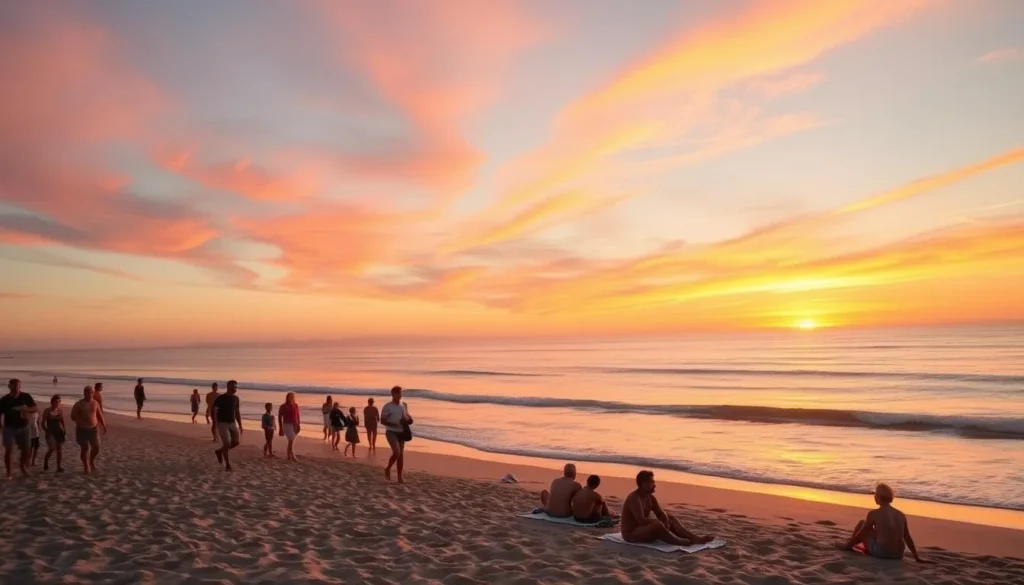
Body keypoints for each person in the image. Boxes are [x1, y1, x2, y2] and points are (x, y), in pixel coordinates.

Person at [621, 470, 713, 546]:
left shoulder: (650, 497)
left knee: (670, 518)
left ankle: (694, 538)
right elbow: (641, 520)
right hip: (631, 533)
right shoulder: (634, 498)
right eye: (652, 482)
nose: (655, 485)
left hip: (642, 529)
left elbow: (660, 513)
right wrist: (658, 522)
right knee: (657, 525)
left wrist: (665, 520)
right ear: (643, 484)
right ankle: (679, 541)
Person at [836, 483, 923, 562]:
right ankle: (850, 544)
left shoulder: (874, 513)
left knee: (862, 524)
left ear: (878, 497)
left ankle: (848, 546)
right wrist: (916, 557)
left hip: (882, 553)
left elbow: (862, 533)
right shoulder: (900, 514)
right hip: (898, 555)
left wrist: (848, 545)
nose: (874, 497)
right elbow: (907, 537)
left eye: (875, 494)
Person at [1, 379, 38, 479]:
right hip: (9, 428)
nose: (16, 388)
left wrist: (26, 409)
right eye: (14, 386)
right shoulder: (4, 400)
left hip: (24, 427)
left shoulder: (26, 396)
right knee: (9, 450)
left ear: (20, 386)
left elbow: (35, 408)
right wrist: (1, 428)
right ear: (9, 386)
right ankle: (9, 474)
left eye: (18, 386)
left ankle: (22, 467)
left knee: (26, 449)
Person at [70, 385, 107, 475]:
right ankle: (86, 466)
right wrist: (79, 421)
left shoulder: (95, 403)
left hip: (93, 428)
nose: (90, 394)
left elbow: (99, 415)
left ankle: (91, 461)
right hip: (82, 429)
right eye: (88, 392)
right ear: (84, 393)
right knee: (85, 448)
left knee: (96, 447)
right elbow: (72, 416)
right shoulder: (78, 404)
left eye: (91, 392)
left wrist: (104, 425)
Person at [381, 385, 412, 483]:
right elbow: (382, 421)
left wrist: (409, 419)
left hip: (401, 432)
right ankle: (388, 468)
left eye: (400, 393)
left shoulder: (403, 405)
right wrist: (393, 424)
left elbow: (408, 417)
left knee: (401, 455)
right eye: (397, 393)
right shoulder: (388, 406)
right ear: (392, 394)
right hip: (391, 431)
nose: (399, 395)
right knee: (397, 452)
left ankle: (399, 477)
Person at [213, 380, 243, 471]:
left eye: (236, 387)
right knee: (227, 443)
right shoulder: (221, 398)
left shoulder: (236, 398)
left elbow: (237, 412)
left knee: (236, 442)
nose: (236, 388)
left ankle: (220, 451)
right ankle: (227, 464)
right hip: (222, 423)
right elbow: (215, 410)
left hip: (232, 423)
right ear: (229, 387)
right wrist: (215, 422)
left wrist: (240, 425)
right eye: (235, 387)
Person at [41, 395, 66, 473]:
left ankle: (59, 467)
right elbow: (42, 423)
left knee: (59, 450)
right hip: (50, 432)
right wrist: (45, 430)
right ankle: (46, 461)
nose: (57, 403)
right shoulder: (47, 411)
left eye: (59, 402)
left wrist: (64, 429)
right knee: (52, 448)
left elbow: (62, 421)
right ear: (52, 402)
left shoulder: (60, 411)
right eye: (56, 402)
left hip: (59, 431)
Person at [278, 392, 301, 462]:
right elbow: (280, 417)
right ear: (287, 397)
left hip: (295, 424)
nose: (291, 398)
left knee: (291, 441)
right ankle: (292, 456)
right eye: (290, 396)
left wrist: (298, 424)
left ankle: (289, 455)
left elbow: (298, 415)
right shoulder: (284, 406)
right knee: (290, 440)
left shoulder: (296, 405)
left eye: (292, 396)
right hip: (287, 424)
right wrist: (280, 428)